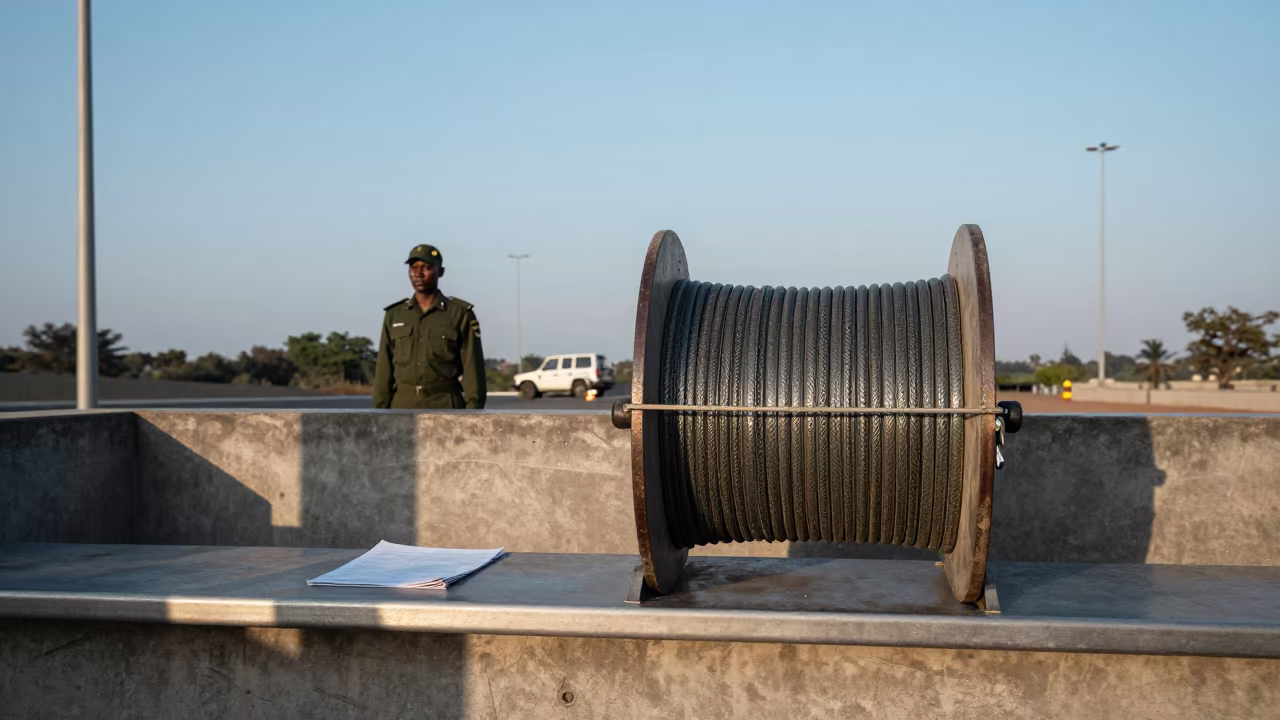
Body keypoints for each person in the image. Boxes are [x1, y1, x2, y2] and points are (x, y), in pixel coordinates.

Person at [373, 244, 486, 409]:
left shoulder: (459, 314)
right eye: (413, 268)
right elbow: (384, 369)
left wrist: (473, 412)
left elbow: (473, 369)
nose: (418, 273)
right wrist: (380, 412)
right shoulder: (394, 315)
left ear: (440, 272)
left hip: (445, 403)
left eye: (426, 267)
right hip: (403, 405)